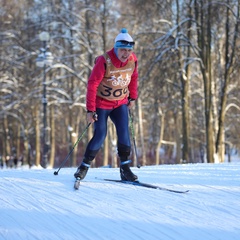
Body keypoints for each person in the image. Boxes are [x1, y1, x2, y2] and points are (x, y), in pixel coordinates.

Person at [74, 28, 139, 182]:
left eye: (129, 50)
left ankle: (125, 169)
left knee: (124, 133)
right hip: (101, 104)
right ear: (116, 48)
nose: (126, 53)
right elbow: (92, 84)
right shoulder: (104, 61)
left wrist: (133, 98)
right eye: (122, 49)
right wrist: (90, 110)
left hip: (120, 103)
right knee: (100, 134)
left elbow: (134, 78)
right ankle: (83, 167)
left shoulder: (132, 60)